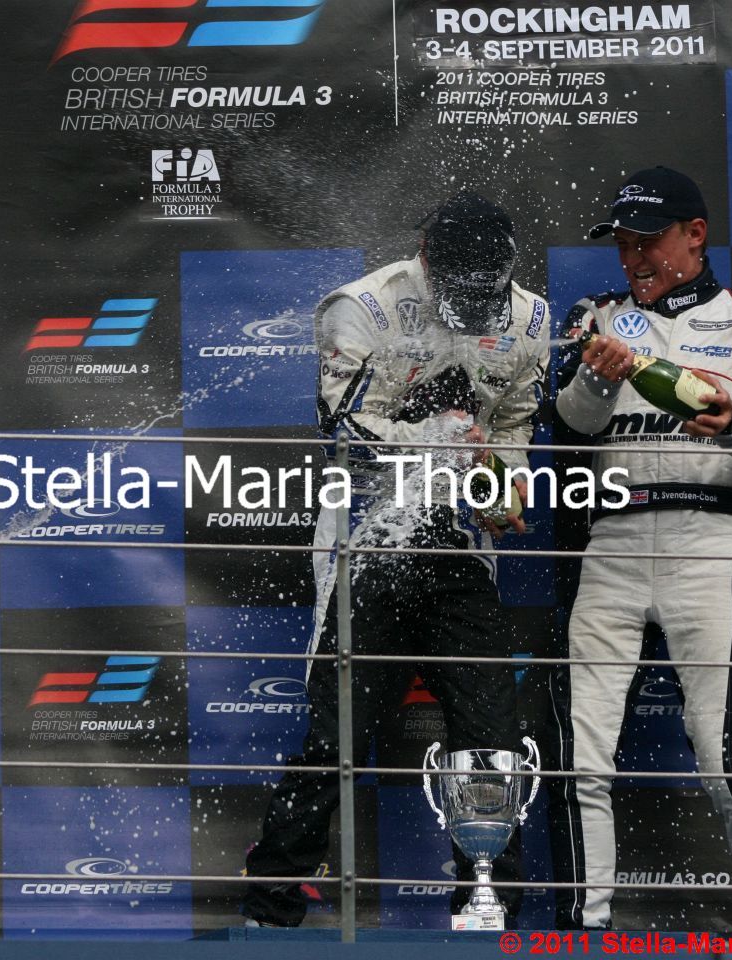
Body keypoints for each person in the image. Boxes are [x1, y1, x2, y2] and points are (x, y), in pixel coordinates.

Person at [241, 191, 550, 927]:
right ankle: (269, 906)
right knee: (337, 736)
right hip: (368, 538)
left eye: (486, 296)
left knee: (491, 738)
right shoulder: (363, 308)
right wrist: (442, 442)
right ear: (426, 257)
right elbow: (344, 429)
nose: (475, 309)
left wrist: (504, 483)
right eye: (460, 294)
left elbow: (513, 421)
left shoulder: (531, 318)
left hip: (459, 548)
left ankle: (488, 909)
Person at [546, 166, 732, 934]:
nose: (633, 259)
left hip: (708, 543)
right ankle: (579, 934)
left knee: (724, 756)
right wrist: (597, 383)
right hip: (611, 543)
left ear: (695, 235)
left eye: (648, 241)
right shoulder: (595, 317)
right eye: (623, 245)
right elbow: (566, 431)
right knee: (578, 757)